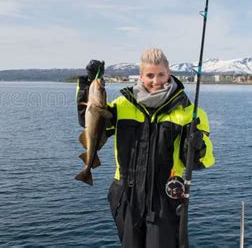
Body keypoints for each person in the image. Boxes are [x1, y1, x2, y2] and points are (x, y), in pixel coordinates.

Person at [76, 48, 215, 248]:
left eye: (161, 74)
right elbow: (89, 123)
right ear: (141, 76)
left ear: (169, 74)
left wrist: (197, 146)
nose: (156, 80)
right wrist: (88, 83)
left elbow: (202, 162)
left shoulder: (190, 112)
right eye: (150, 75)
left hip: (165, 199)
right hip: (126, 196)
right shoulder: (122, 105)